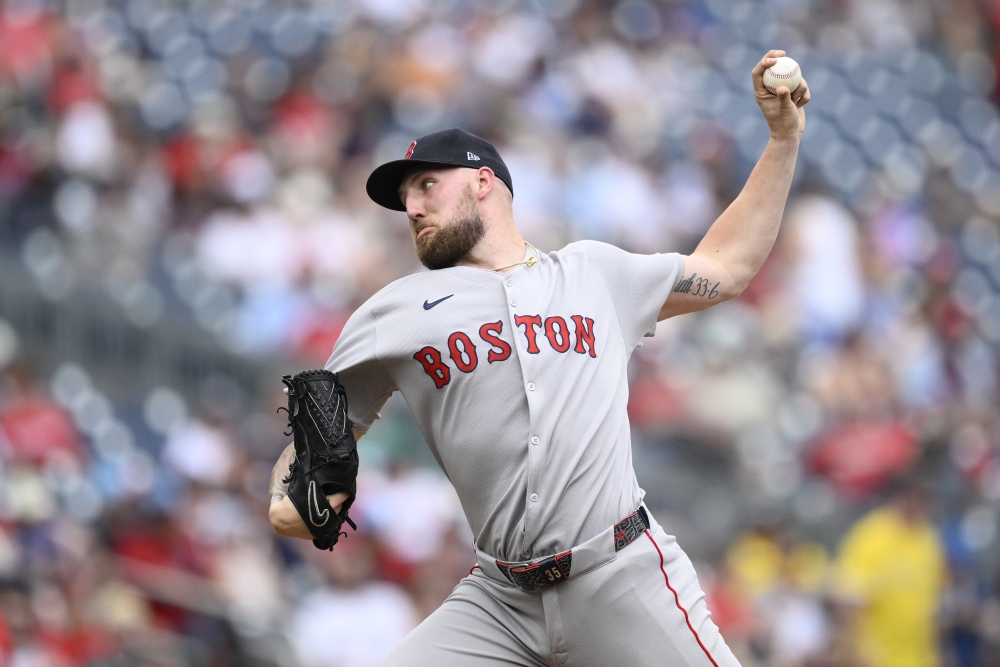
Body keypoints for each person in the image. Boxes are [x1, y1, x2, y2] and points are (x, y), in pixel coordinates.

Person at [268, 49, 809, 666]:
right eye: (404, 197)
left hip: (621, 576)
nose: (412, 206)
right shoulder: (389, 314)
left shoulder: (594, 273)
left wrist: (782, 140)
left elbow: (727, 268)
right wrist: (291, 496)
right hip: (498, 601)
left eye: (425, 185)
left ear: (483, 182)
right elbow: (314, 451)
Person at [832, 476, 947, 667]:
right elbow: (849, 600)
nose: (918, 504)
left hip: (920, 656)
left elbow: (933, 601)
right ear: (899, 498)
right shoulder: (870, 537)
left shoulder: (928, 538)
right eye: (914, 497)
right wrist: (859, 651)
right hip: (878, 656)